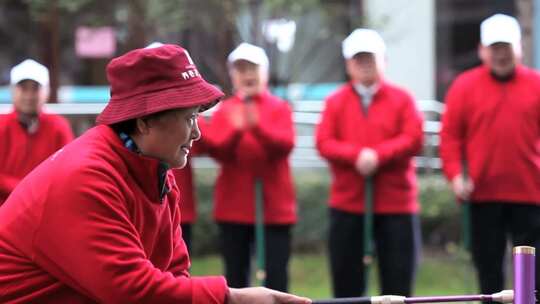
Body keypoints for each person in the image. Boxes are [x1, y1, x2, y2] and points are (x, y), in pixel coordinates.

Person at [0, 44, 311, 304]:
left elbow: (173, 273)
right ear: (145, 121)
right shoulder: (87, 177)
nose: (197, 134)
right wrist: (230, 297)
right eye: (190, 118)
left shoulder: (154, 169)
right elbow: (131, 290)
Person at [315, 29, 423, 298]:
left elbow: (413, 137)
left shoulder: (403, 99)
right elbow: (325, 141)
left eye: (370, 58)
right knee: (347, 284)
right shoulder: (335, 101)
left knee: (398, 282)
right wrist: (356, 156)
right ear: (348, 63)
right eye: (358, 58)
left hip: (395, 204)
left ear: (383, 60)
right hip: (348, 203)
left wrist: (378, 155)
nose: (364, 64)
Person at [440, 14, 540, 298]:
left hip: (531, 194)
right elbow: (450, 137)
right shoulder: (464, 86)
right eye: (494, 48)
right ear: (482, 50)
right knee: (489, 272)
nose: (500, 55)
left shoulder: (536, 85)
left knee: (532, 276)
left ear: (519, 48)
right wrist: (456, 176)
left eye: (506, 48)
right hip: (483, 195)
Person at [205, 43, 296, 292]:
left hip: (273, 207)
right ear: (233, 75)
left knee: (276, 275)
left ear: (264, 72)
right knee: (236, 276)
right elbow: (216, 149)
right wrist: (236, 131)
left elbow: (285, 145)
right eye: (241, 69)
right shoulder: (226, 109)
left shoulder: (279, 107)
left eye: (253, 68)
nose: (247, 75)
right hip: (234, 206)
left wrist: (256, 127)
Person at [0, 59, 73, 205]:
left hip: (46, 207)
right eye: (23, 88)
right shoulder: (2, 125)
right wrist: (25, 190)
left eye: (35, 88)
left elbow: (68, 170)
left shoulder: (58, 126)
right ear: (13, 91)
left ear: (46, 92)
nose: (29, 95)